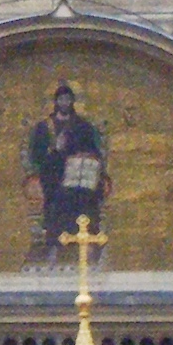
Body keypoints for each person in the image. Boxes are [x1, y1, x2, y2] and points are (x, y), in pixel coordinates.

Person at [23, 83, 108, 262]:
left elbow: (95, 151)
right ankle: (55, 242)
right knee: (57, 200)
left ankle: (88, 242)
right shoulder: (44, 127)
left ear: (72, 102)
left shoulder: (82, 126)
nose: (64, 102)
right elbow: (35, 155)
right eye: (61, 99)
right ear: (56, 102)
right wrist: (54, 149)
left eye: (67, 99)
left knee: (86, 197)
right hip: (53, 174)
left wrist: (84, 156)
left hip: (79, 175)